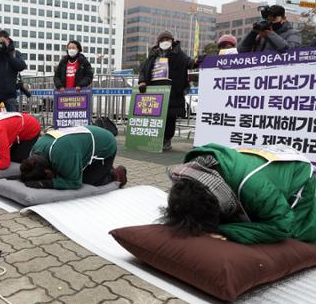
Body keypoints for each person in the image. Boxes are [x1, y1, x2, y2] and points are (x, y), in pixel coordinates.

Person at [161, 143, 316, 245]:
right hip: (259, 169)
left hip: (298, 172)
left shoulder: (255, 189)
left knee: (296, 234)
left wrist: (224, 231)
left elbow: (281, 226)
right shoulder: (192, 169)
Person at [138, 31, 197, 151]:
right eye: (162, 39)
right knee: (155, 117)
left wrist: (198, 62)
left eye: (167, 39)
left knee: (170, 118)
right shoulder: (153, 54)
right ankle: (152, 140)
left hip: (172, 91)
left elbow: (189, 62)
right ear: (158, 42)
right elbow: (144, 70)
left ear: (172, 41)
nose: (165, 41)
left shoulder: (178, 53)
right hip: (154, 91)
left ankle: (167, 140)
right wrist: (142, 82)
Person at [19, 125, 127, 190]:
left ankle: (117, 174)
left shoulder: (64, 155)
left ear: (47, 171)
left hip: (106, 145)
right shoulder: (33, 152)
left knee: (89, 181)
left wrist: (45, 183)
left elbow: (75, 183)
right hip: (82, 143)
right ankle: (103, 169)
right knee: (66, 172)